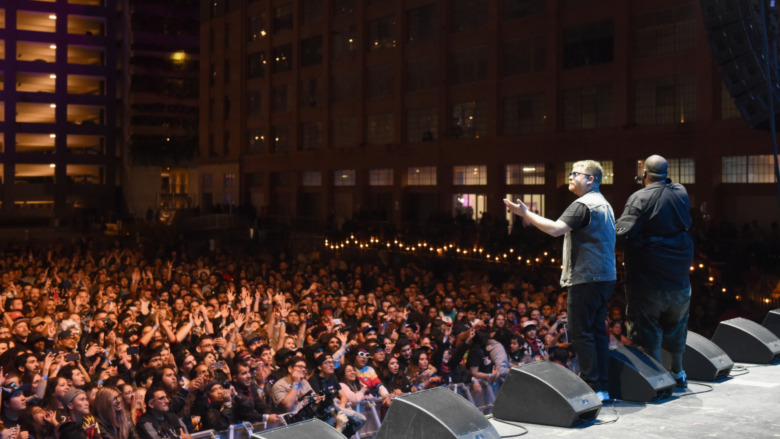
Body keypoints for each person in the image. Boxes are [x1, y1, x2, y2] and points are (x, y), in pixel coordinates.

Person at [504, 160, 616, 400]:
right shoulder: (604, 204)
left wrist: (525, 213)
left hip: (586, 277)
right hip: (605, 277)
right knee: (596, 332)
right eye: (571, 172)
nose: (571, 176)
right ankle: (603, 387)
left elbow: (556, 229)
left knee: (581, 333)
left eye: (577, 173)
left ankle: (592, 386)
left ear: (591, 180)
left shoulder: (583, 205)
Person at [615, 154, 693, 389]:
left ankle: (660, 379)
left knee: (648, 331)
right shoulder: (681, 192)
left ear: (644, 175)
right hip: (679, 277)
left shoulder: (639, 197)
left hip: (648, 278)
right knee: (677, 327)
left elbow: (622, 232)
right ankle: (678, 372)